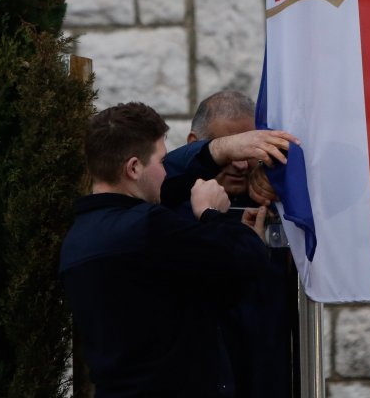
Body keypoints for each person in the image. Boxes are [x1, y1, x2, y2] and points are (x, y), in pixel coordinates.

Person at [59, 102, 297, 397]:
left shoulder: (79, 237)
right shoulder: (147, 227)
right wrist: (213, 214)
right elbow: (244, 259)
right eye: (160, 162)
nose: (164, 173)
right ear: (134, 167)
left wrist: (217, 151)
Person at [161, 90, 299, 398]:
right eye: (229, 152)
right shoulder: (169, 208)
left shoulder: (274, 201)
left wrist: (282, 182)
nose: (241, 166)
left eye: (249, 149)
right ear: (195, 144)